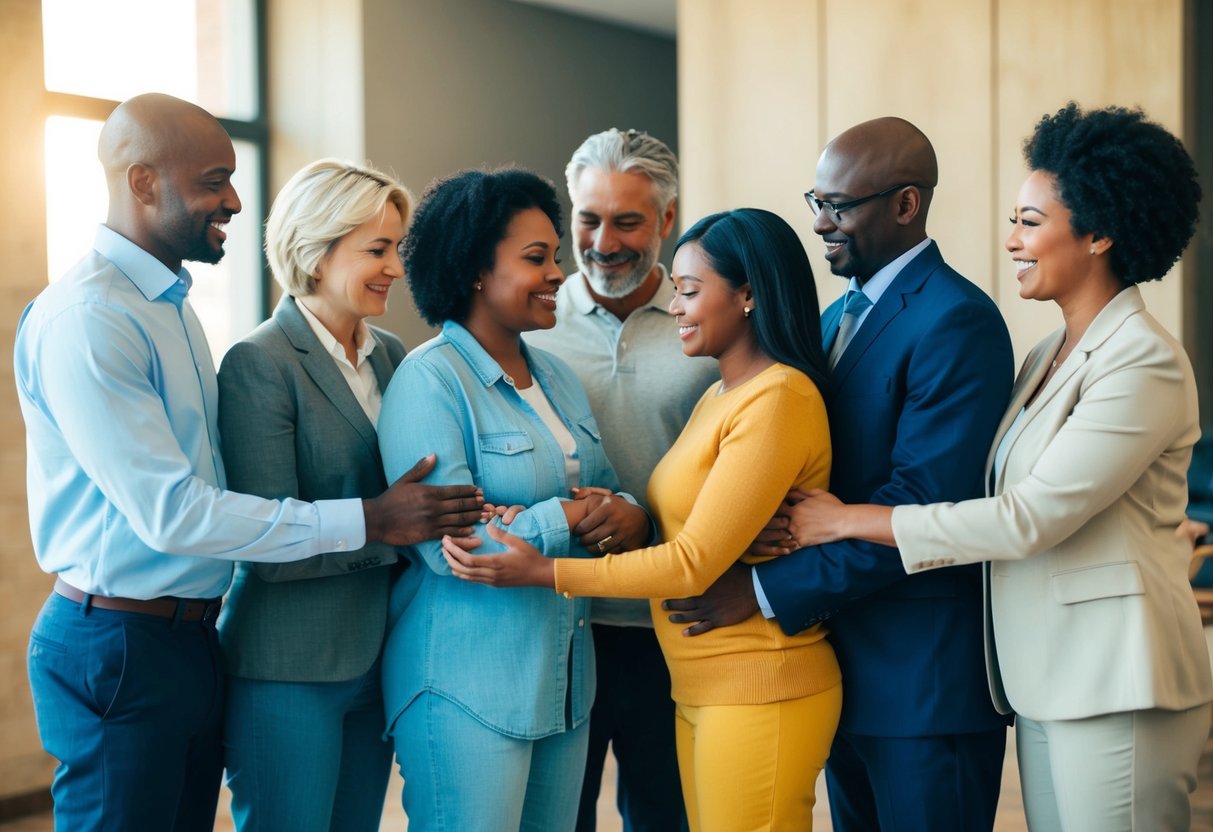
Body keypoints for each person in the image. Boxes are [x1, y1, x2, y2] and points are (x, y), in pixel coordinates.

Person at [14, 94, 483, 831]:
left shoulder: (169, 306)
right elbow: (173, 512)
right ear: (142, 182)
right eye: (213, 180)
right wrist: (369, 519)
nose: (234, 199)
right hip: (120, 639)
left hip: (190, 634)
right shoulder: (91, 317)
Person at [788, 102, 1213, 832]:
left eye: (1029, 222)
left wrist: (845, 519)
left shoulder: (1143, 359)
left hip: (1117, 679)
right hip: (1041, 675)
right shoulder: (1044, 357)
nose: (1010, 240)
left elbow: (1029, 517)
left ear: (1100, 232)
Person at [662, 117, 1015, 832]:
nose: (819, 223)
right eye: (814, 201)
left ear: (905, 204)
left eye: (838, 206)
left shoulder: (955, 321)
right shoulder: (830, 320)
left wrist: (763, 590)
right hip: (838, 668)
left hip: (921, 683)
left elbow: (922, 506)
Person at [444, 208, 843, 832]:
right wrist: (562, 512)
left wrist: (546, 570)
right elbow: (683, 526)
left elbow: (689, 562)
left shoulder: (779, 397)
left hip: (760, 685)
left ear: (747, 295)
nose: (677, 307)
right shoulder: (721, 395)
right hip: (702, 685)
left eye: (688, 291)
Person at [376, 167, 651, 831]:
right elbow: (456, 549)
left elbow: (610, 490)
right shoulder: (429, 381)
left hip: (562, 684)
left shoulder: (555, 374)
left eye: (555, 255)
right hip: (464, 689)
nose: (558, 272)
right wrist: (566, 515)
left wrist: (626, 513)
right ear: (475, 270)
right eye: (536, 258)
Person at [524, 128, 715, 832]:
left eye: (627, 221)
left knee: (667, 816)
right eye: (587, 218)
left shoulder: (710, 320)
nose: (603, 241)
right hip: (558, 623)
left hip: (675, 623)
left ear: (667, 219)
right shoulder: (529, 322)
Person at [216, 159, 415, 830]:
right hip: (287, 665)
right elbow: (264, 540)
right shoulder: (259, 363)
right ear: (316, 249)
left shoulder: (391, 355)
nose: (394, 266)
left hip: (379, 654)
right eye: (376, 249)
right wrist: (383, 528)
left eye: (396, 248)